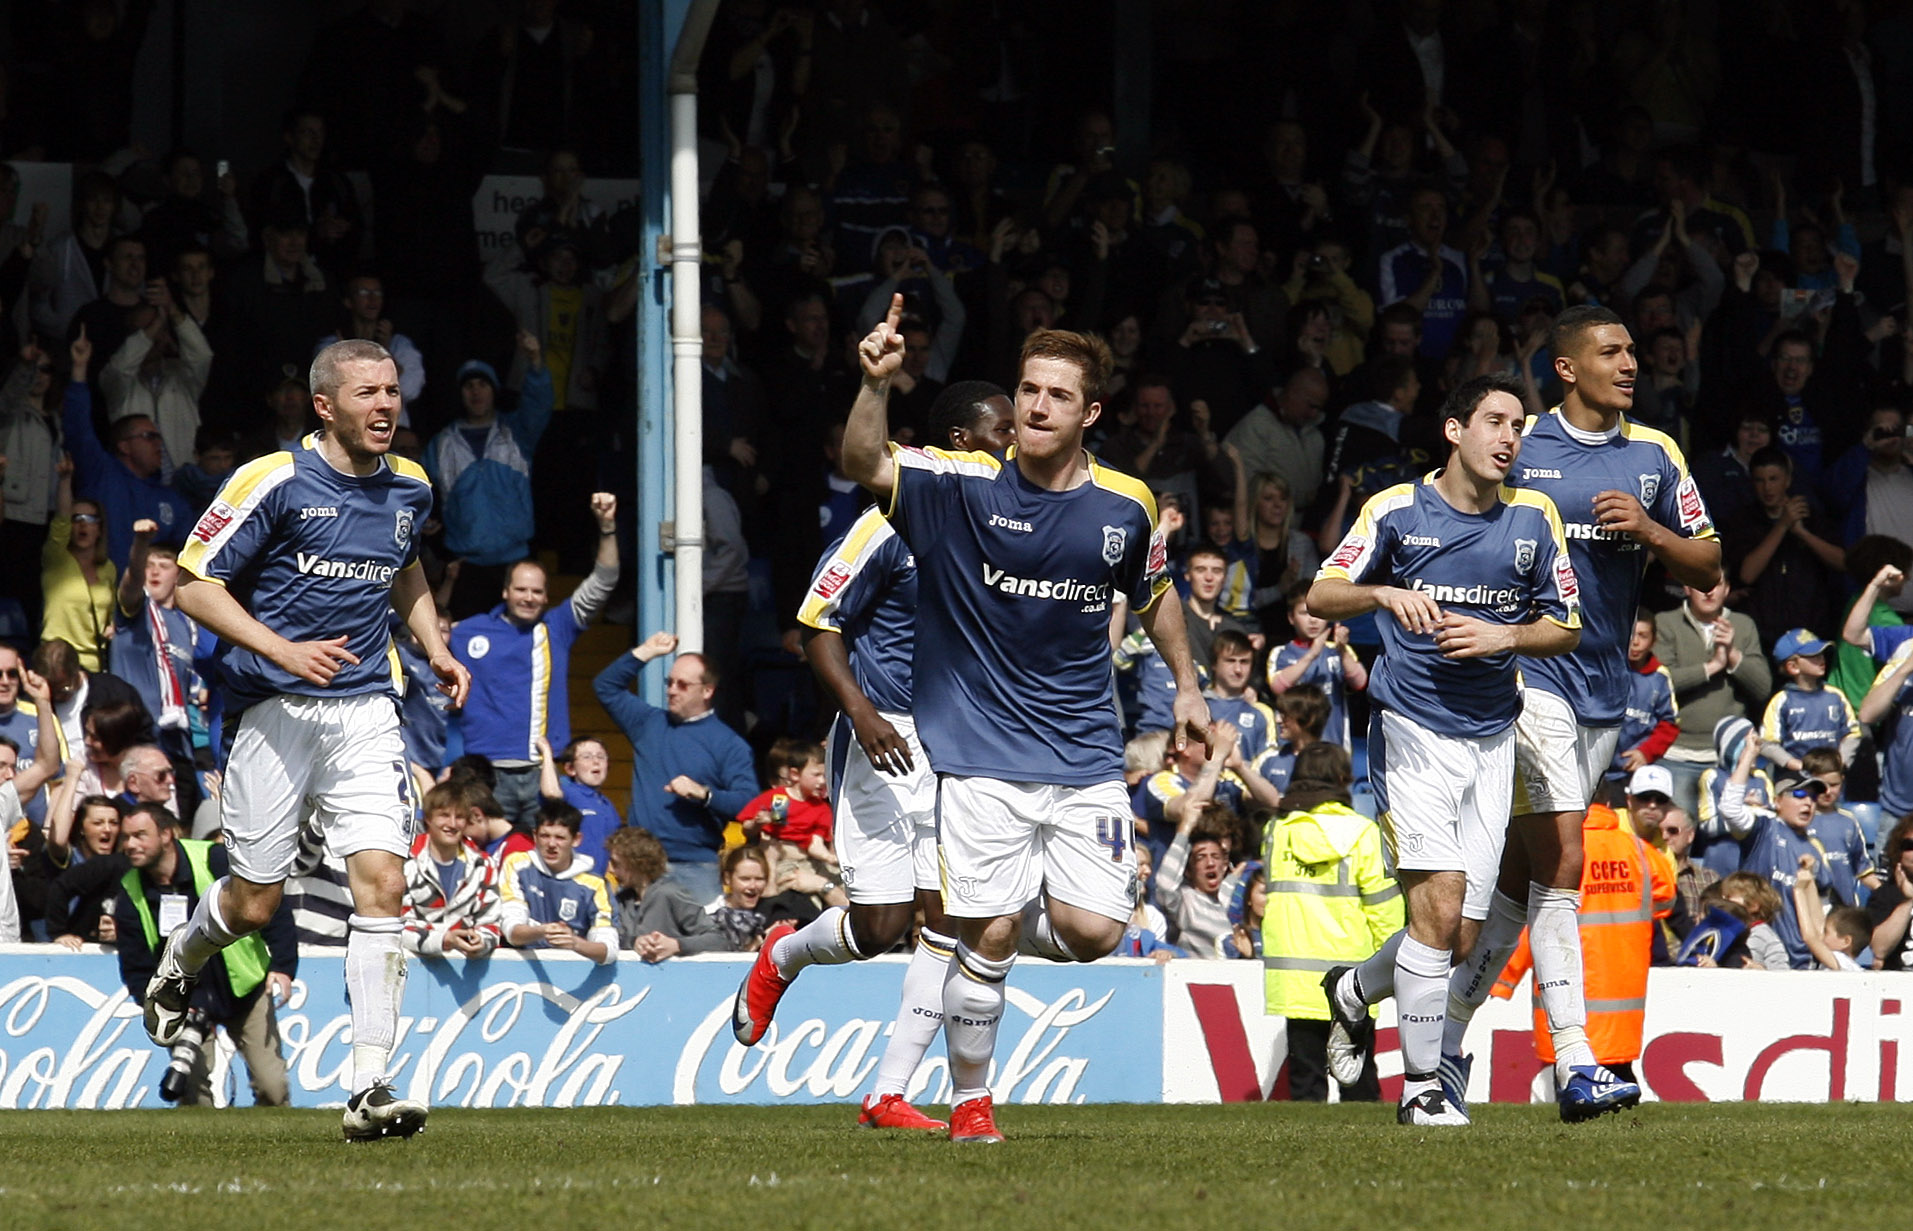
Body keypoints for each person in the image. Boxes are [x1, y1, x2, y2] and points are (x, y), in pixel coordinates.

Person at [751, 298, 1209, 1144]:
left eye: (1055, 396)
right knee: (970, 925)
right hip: (972, 752)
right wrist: (873, 382)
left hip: (1082, 755)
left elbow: (1153, 593)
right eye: (1027, 390)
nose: (1035, 407)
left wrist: (1186, 682)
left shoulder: (1126, 503)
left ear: (1090, 413)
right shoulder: (956, 485)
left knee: (1091, 933)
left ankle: (976, 928)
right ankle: (970, 1102)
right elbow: (862, 459)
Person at [155, 338, 470, 1142]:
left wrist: (432, 645)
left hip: (366, 704)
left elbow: (405, 568)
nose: (386, 406)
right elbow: (192, 585)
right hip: (273, 707)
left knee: (383, 885)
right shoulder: (272, 478)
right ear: (323, 405)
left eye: (393, 390)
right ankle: (182, 960)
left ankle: (368, 1086)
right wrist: (282, 648)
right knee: (255, 902)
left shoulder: (411, 485)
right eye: (367, 392)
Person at [1439, 306, 1720, 1123]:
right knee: (1562, 859)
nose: (1629, 361)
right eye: (1610, 351)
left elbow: (1707, 559)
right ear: (1566, 368)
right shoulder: (1521, 448)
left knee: (1521, 891)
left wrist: (1651, 530)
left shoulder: (1654, 454)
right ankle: (1576, 1063)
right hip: (1530, 678)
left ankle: (1405, 1015)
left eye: (1632, 348)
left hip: (1607, 691)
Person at [726, 380, 1015, 1132]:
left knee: (949, 917)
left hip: (961, 739)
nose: (1013, 446)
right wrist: (859, 712)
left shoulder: (1005, 527)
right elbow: (817, 624)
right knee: (877, 927)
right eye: (1000, 432)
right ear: (958, 441)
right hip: (882, 730)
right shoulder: (886, 523)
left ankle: (889, 1093)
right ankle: (783, 954)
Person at [1312, 373, 1582, 1127]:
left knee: (1458, 937)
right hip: (1411, 731)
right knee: (1434, 912)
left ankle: (1354, 989)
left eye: (1519, 425)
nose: (1509, 437)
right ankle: (1424, 1088)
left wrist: (1504, 634)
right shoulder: (1395, 510)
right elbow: (1319, 592)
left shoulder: (1534, 519)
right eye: (1494, 421)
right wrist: (1378, 594)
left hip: (1493, 737)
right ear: (1454, 430)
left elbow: (1566, 624)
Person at [448, 491, 617, 825]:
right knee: (488, 867)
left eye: (537, 591)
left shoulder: (557, 627)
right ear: (505, 591)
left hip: (543, 770)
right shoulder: (468, 631)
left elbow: (605, 580)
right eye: (521, 589)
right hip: (485, 775)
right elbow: (413, 632)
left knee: (542, 864)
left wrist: (608, 527)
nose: (529, 598)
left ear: (546, 595)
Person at [114, 803, 294, 1107]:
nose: (130, 845)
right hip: (183, 998)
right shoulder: (128, 891)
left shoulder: (214, 858)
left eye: (140, 835)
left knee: (272, 1088)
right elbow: (135, 967)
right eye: (127, 837)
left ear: (167, 834)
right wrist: (160, 1004)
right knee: (193, 1094)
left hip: (245, 989)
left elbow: (271, 906)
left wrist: (283, 965)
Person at [1488, 796, 1673, 1091]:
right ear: (1611, 804)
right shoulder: (1640, 851)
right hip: (1623, 1004)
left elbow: (1533, 924)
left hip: (1569, 992)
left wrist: (1502, 977)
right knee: (1621, 1074)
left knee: (1573, 1078)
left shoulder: (1559, 852)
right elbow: (1666, 899)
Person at [1260, 742, 1398, 1101]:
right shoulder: (1365, 833)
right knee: (1359, 1079)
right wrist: (1393, 966)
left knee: (1305, 1083)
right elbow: (1383, 908)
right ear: (1342, 779)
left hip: (1294, 977)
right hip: (1353, 978)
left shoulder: (1277, 832)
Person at [594, 631, 757, 903]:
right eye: (669, 682)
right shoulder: (649, 723)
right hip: (641, 862)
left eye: (682, 685)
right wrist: (646, 651)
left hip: (695, 867)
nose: (671, 690)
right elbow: (605, 686)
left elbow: (749, 802)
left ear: (707, 691)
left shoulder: (729, 743)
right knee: (632, 943)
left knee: (700, 944)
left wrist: (704, 795)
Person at [424, 335, 555, 618]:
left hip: (514, 561)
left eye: (482, 384)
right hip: (464, 565)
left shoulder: (517, 433)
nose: (476, 391)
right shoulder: (441, 443)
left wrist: (535, 362)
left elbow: (539, 404)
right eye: (469, 386)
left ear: (494, 390)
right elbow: (421, 492)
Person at [1714, 736, 1838, 970]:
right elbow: (1729, 810)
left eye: (1812, 797)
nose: (1808, 803)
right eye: (1799, 795)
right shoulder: (1764, 828)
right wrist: (1748, 756)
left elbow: (1821, 912)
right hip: (1755, 952)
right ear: (1777, 801)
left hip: (1801, 961)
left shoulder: (1814, 848)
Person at [1654, 577, 1772, 818]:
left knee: (1728, 836)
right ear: (1686, 587)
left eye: (1716, 585)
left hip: (1729, 759)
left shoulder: (1742, 624)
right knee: (1678, 833)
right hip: (1677, 753)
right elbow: (1659, 684)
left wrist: (1732, 655)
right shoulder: (1666, 622)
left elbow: (1762, 688)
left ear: (1727, 589)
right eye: (1701, 584)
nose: (1709, 592)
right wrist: (1712, 667)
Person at [498, 799, 618, 964]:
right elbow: (511, 931)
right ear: (535, 836)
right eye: (545, 836)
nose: (551, 844)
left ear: (576, 839)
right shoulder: (518, 865)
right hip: (521, 970)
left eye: (560, 837)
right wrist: (543, 932)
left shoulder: (595, 884)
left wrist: (575, 943)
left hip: (572, 971)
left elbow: (609, 950)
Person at [400, 778, 501, 960]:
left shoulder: (484, 865)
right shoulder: (406, 861)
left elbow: (491, 923)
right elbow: (399, 924)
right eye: (444, 815)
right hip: (414, 969)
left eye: (460, 817)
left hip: (468, 973)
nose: (452, 824)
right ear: (428, 819)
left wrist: (482, 941)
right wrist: (444, 939)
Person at [604, 824, 727, 962]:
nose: (610, 870)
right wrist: (634, 942)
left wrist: (677, 945)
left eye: (615, 863)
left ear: (636, 863)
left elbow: (718, 940)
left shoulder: (670, 894)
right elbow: (609, 938)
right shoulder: (621, 900)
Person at [1266, 591, 1366, 750]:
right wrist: (1312, 654)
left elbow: (1360, 683)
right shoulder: (1281, 653)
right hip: (1292, 749)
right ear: (1291, 618)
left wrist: (1342, 650)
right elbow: (1278, 687)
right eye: (1305, 613)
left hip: (1333, 746)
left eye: (1318, 613)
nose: (1313, 620)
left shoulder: (1338, 651)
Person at [1760, 630, 1862, 774]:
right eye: (1813, 656)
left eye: (1821, 654)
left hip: (1831, 776)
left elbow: (1852, 733)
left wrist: (1840, 762)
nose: (1821, 659)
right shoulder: (1782, 701)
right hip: (1793, 779)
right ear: (1793, 666)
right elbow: (1767, 743)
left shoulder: (1835, 696)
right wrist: (1793, 764)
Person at [535, 735, 622, 877]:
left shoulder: (607, 804)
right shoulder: (568, 790)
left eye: (601, 757)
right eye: (587, 757)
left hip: (598, 882)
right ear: (570, 769)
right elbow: (550, 792)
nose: (596, 762)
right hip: (570, 879)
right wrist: (546, 752)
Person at [1610, 611, 1679, 785]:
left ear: (1653, 641)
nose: (1635, 642)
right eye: (1631, 634)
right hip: (1597, 765)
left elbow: (1669, 724)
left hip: (1632, 770)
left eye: (1643, 636)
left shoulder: (1659, 677)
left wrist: (1646, 752)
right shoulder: (1607, 668)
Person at [1790, 855, 1871, 971]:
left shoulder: (1844, 964)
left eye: (1826, 932)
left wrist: (1798, 890)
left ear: (1846, 941)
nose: (1822, 936)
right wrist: (1809, 877)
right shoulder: (1842, 961)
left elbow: (1810, 937)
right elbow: (1817, 921)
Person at [1866, 815, 1913, 970]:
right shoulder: (1884, 896)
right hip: (1897, 986)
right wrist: (1908, 902)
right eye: (1909, 845)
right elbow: (1879, 950)